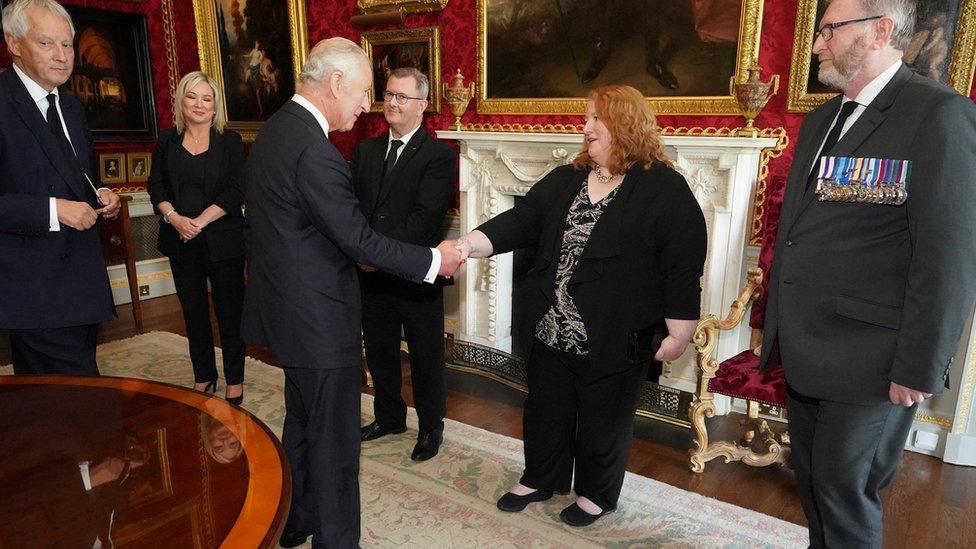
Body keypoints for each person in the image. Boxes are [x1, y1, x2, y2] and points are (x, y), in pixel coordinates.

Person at [758, 1, 976, 547]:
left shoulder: (936, 114)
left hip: (874, 360)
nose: (815, 45)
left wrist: (921, 365)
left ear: (881, 30)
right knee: (811, 484)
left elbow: (948, 256)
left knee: (844, 491)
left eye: (829, 30)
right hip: (808, 348)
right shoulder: (820, 122)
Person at [241, 37, 462, 548]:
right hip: (318, 322)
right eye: (365, 91)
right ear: (336, 82)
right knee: (336, 443)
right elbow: (357, 239)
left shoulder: (275, 131)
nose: (368, 106)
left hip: (286, 314)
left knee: (301, 425)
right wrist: (433, 259)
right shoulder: (314, 152)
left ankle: (298, 520)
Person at [455, 84, 707, 527]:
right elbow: (521, 219)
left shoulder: (663, 187)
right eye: (586, 117)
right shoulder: (568, 177)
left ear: (625, 123)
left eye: (596, 118)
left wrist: (680, 330)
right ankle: (541, 477)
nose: (585, 126)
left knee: (603, 418)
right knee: (546, 407)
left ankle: (597, 493)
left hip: (616, 331)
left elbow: (683, 261)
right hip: (552, 325)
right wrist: (466, 244)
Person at [0, 0, 122, 375]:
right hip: (34, 288)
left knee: (52, 407)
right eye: (46, 44)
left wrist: (102, 193)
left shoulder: (71, 108)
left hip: (81, 285)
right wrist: (55, 210)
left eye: (67, 45)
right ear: (13, 43)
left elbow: (77, 176)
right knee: (81, 409)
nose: (62, 56)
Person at [352, 67, 456, 462]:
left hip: (415, 276)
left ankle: (431, 428)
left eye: (403, 97)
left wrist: (374, 254)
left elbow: (424, 220)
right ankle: (389, 417)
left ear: (423, 106)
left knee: (426, 357)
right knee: (378, 351)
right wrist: (361, 252)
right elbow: (354, 209)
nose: (392, 103)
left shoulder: (437, 157)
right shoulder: (366, 150)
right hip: (370, 276)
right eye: (389, 94)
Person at [146, 71, 246, 404]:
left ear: (216, 105)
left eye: (207, 98)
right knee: (193, 310)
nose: (199, 104)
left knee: (229, 311)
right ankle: (204, 374)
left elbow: (237, 190)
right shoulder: (167, 141)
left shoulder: (230, 142)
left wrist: (200, 221)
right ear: (181, 102)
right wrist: (174, 219)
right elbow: (155, 185)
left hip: (224, 241)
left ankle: (235, 378)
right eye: (192, 97)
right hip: (180, 239)